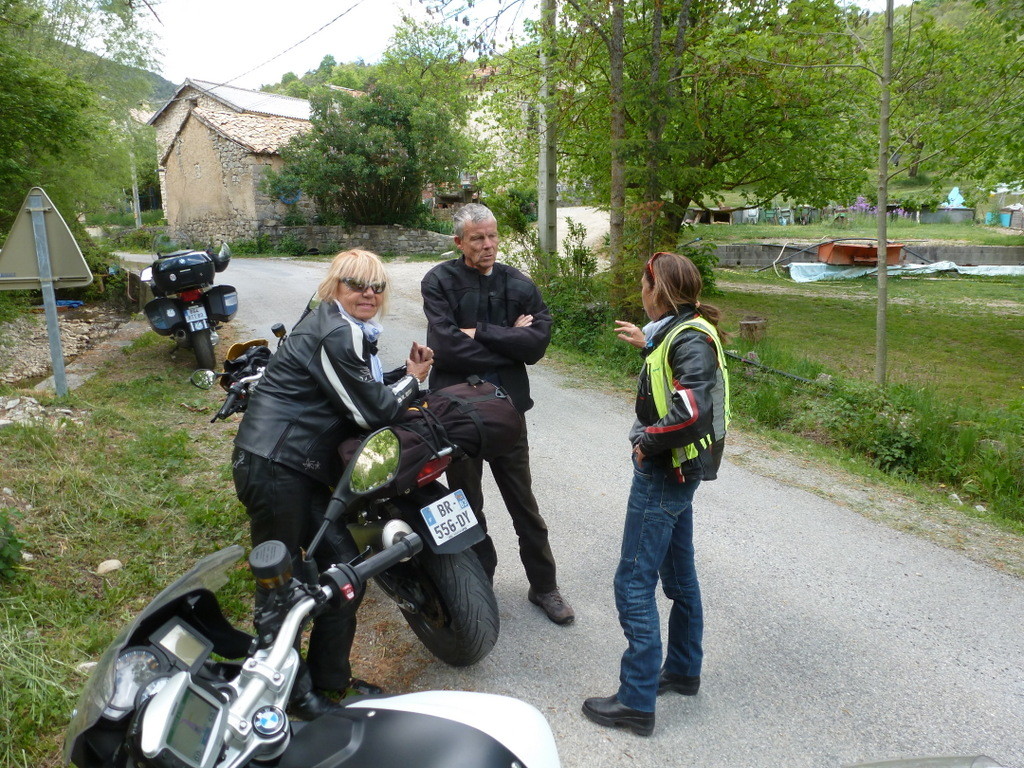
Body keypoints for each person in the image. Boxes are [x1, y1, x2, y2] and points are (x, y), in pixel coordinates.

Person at [232, 249, 433, 719]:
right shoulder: (336, 331)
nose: (368, 293)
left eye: (377, 286)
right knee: (280, 588)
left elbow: (356, 393)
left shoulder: (341, 327)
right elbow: (372, 412)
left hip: (297, 468)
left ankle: (329, 683)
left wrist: (403, 377)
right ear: (333, 287)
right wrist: (416, 380)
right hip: (276, 466)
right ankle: (288, 696)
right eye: (355, 284)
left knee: (344, 572)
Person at [582, 251, 730, 737]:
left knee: (632, 582)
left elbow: (691, 411)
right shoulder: (681, 331)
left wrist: (647, 442)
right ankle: (684, 671)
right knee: (679, 577)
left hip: (666, 472)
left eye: (643, 286)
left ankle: (635, 699)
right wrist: (647, 340)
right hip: (683, 474)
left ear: (656, 291)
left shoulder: (688, 339)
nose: (640, 294)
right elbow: (678, 378)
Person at [420, 203, 574, 625]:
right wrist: (511, 336)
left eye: (492, 237)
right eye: (477, 239)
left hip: (507, 413)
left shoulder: (518, 283)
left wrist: (482, 332)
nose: (487, 246)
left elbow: (537, 345)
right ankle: (477, 585)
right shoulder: (439, 281)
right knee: (465, 505)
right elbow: (446, 347)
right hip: (456, 416)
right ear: (459, 242)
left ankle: (544, 587)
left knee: (524, 505)